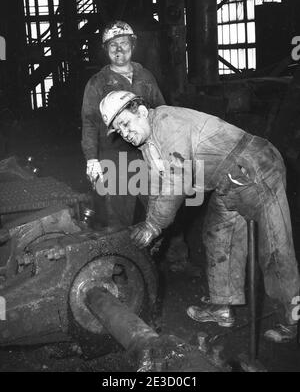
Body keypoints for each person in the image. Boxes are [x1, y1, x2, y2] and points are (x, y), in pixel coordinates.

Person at [99, 90, 300, 343]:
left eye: (125, 124)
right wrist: (155, 228)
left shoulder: (167, 123)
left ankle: (292, 319)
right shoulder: (148, 145)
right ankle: (222, 307)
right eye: (119, 131)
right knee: (217, 235)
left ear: (140, 111)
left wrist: (153, 225)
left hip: (257, 166)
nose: (125, 134)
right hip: (229, 181)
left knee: (274, 247)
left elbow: (177, 182)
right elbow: (157, 188)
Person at [81, 20, 165, 227]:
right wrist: (92, 159)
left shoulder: (146, 76)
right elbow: (89, 122)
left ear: (133, 46)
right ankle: (121, 259)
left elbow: (161, 113)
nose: (119, 49)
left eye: (124, 43)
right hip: (114, 158)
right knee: (118, 218)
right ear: (106, 50)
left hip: (147, 153)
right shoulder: (97, 82)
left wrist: (165, 151)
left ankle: (169, 258)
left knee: (160, 208)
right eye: (112, 45)